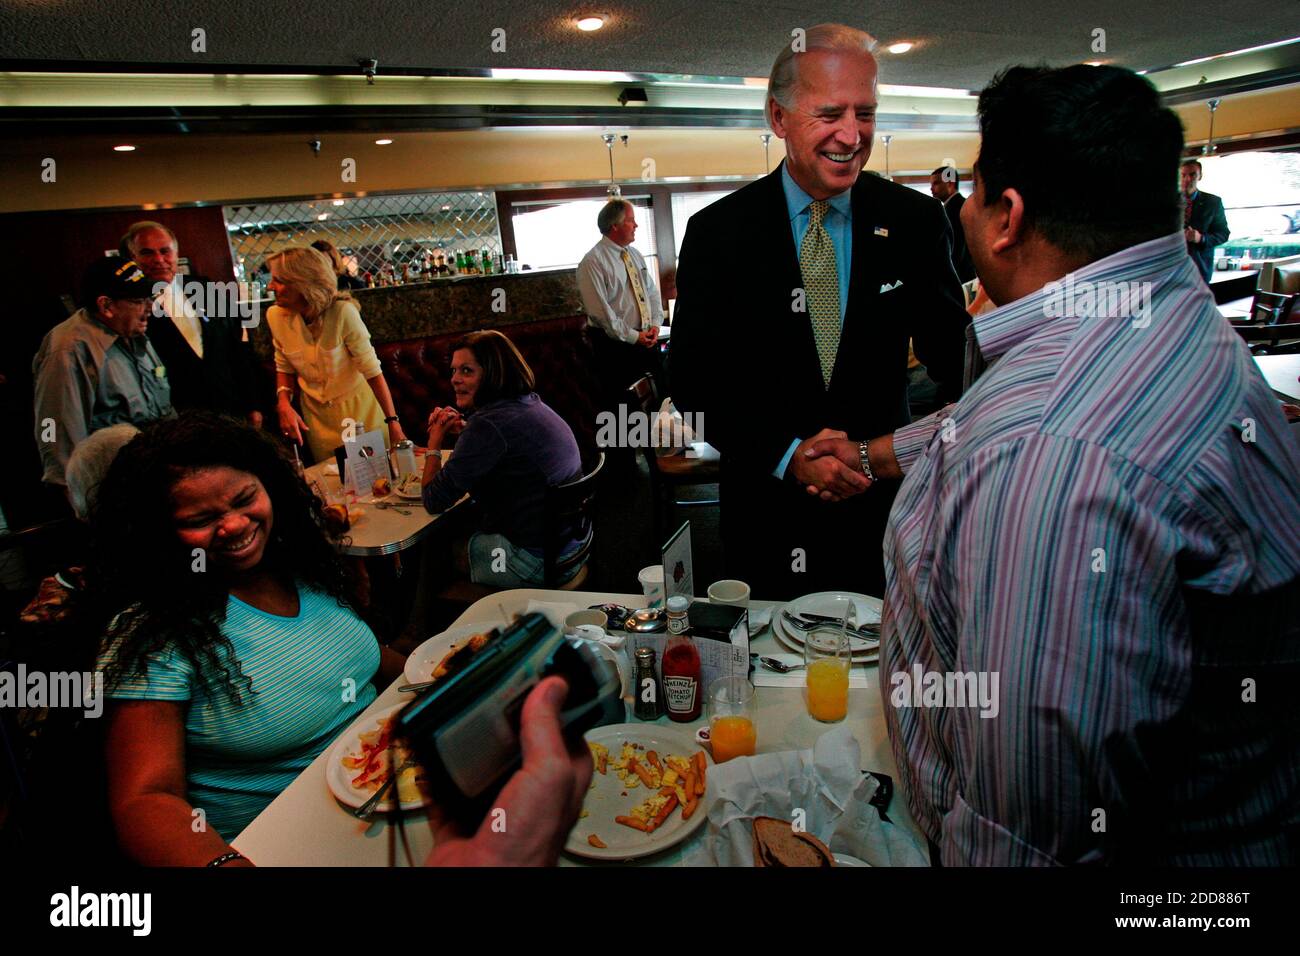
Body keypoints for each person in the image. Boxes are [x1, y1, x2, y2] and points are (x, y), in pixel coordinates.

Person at [814, 64, 1300, 864]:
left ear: (1008, 218)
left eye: (972, 193)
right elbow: (1003, 415)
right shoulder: (1163, 317)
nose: (963, 211)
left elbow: (1030, 834)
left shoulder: (1049, 459)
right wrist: (874, 452)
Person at [669, 23, 970, 599]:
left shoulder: (913, 220)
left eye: (866, 113)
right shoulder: (718, 233)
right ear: (778, 118)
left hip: (884, 505)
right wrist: (789, 456)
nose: (853, 135)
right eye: (830, 113)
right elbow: (693, 381)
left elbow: (953, 356)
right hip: (767, 507)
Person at [90, 412, 408, 866]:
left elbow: (359, 658)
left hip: (392, 791)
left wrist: (440, 673)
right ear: (158, 532)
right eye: (201, 518)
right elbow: (145, 801)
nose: (235, 526)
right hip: (287, 847)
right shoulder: (153, 631)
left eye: (244, 499)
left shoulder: (299, 564)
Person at [421, 330, 586, 587]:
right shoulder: (527, 403)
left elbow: (433, 499)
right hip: (574, 545)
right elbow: (507, 449)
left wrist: (434, 441)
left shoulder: (487, 426)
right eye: (453, 371)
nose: (454, 379)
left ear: (494, 374)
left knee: (432, 550)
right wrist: (465, 432)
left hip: (538, 562)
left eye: (466, 371)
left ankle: (428, 625)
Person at [32, 257, 174, 490]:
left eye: (149, 298)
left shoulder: (133, 333)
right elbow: (54, 429)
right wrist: (74, 494)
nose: (149, 308)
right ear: (106, 305)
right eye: (138, 301)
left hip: (153, 473)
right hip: (112, 485)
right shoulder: (69, 349)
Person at [265, 247, 408, 462]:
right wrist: (283, 402)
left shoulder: (343, 313)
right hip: (317, 420)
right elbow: (283, 365)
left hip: (361, 414)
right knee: (334, 484)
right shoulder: (275, 316)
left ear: (303, 283)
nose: (270, 287)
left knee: (377, 481)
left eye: (278, 281)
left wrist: (393, 423)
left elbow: (372, 371)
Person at [121, 221, 262, 426]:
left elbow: (240, 348)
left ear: (176, 254)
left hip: (231, 409)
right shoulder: (129, 307)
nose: (159, 259)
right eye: (147, 253)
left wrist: (254, 404)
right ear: (134, 258)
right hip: (177, 421)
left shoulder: (207, 290)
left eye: (165, 251)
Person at [577, 200, 664, 405]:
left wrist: (655, 325)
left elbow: (650, 292)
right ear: (614, 226)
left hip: (646, 340)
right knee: (628, 410)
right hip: (616, 347)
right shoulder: (593, 262)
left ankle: (664, 437)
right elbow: (601, 313)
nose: (636, 226)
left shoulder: (634, 254)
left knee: (661, 400)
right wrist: (635, 337)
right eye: (631, 221)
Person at [1180, 159, 1230, 282]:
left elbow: (1223, 234)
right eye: (1183, 175)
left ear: (1200, 176)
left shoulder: (1213, 203)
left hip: (1199, 269)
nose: (1187, 179)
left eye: (1192, 175)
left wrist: (1200, 238)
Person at [929, 166, 975, 283]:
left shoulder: (957, 208)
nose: (931, 188)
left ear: (950, 184)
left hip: (959, 277)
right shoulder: (956, 206)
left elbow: (956, 249)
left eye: (936, 183)